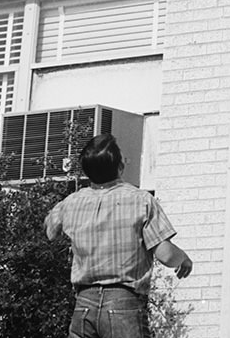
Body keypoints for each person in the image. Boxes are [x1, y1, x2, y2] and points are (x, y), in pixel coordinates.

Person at [44, 133, 192, 338]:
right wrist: (183, 258)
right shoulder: (141, 200)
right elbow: (166, 255)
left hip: (83, 304)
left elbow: (50, 231)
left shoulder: (71, 203)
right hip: (124, 303)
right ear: (119, 167)